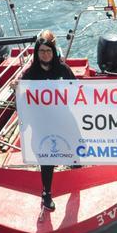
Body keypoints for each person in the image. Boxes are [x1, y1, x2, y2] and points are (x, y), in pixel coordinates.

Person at [24, 30, 77, 211]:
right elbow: (24, 100)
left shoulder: (63, 69)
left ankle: (77, 181)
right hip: (43, 123)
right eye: (42, 51)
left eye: (49, 51)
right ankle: (46, 193)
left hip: (64, 117)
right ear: (37, 53)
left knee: (77, 149)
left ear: (54, 52)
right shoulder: (30, 74)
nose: (45, 54)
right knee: (47, 156)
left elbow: (77, 90)